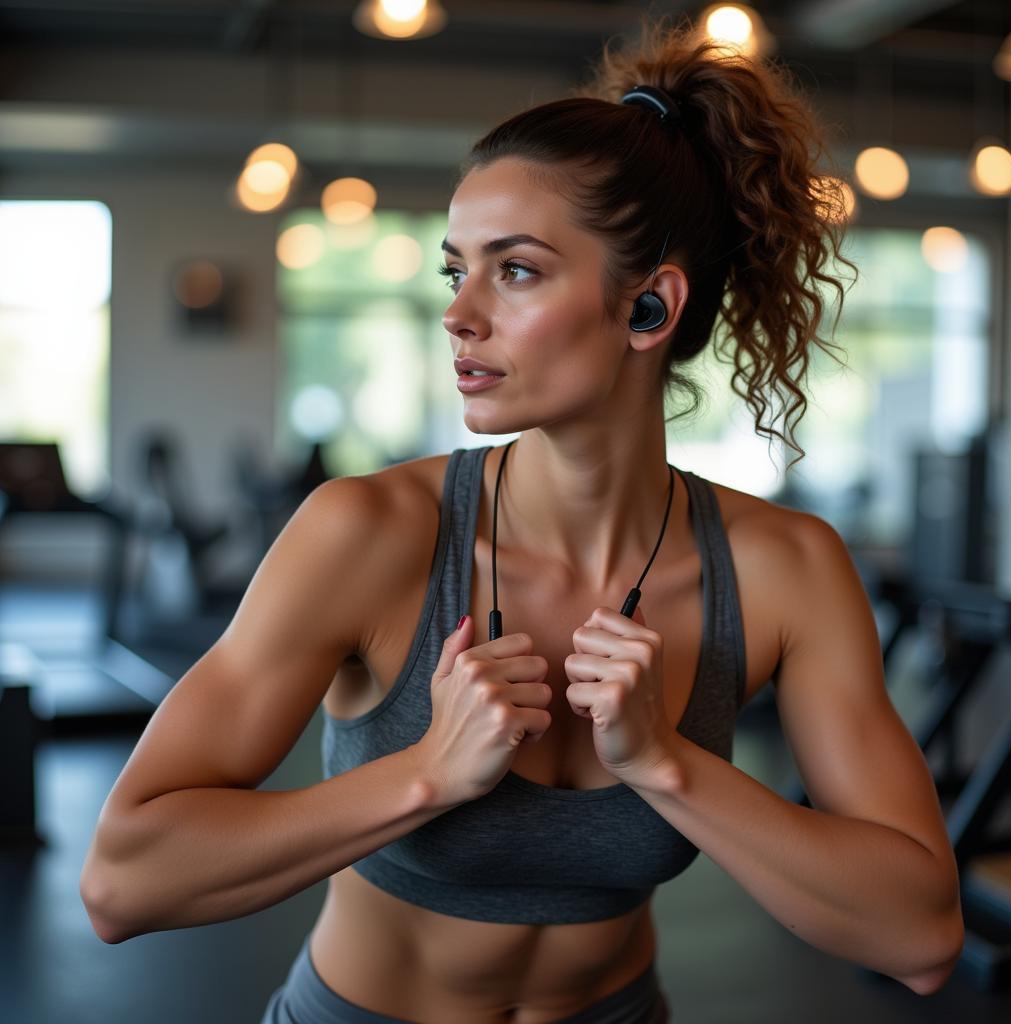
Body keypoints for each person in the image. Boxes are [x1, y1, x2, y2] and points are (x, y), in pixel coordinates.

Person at [80, 15, 964, 1023]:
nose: (458, 313)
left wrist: (668, 766)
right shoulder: (368, 533)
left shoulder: (783, 570)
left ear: (647, 308)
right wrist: (424, 775)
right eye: (457, 269)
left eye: (517, 269)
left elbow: (922, 936)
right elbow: (122, 881)